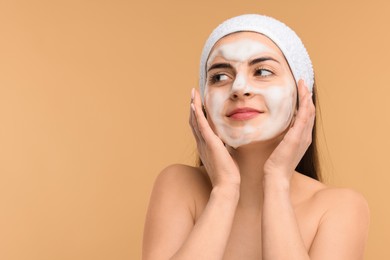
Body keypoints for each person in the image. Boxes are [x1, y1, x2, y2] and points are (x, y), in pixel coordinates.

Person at [142, 14, 369, 259]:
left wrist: (277, 183)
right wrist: (225, 190)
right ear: (203, 103)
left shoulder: (340, 208)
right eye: (219, 76)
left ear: (301, 100)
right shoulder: (179, 185)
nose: (239, 88)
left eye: (262, 71)